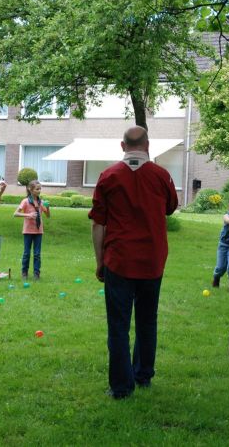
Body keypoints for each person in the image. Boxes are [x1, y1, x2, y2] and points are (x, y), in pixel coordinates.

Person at [90, 126, 178, 399]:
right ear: (148, 145)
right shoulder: (161, 175)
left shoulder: (108, 176)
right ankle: (143, 375)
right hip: (152, 261)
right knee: (147, 320)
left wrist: (100, 261)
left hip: (119, 260)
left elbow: (98, 223)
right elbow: (170, 208)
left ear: (122, 145)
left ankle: (121, 387)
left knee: (118, 325)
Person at [14, 180, 50, 280]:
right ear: (30, 189)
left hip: (39, 231)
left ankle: (36, 274)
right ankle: (24, 273)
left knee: (37, 254)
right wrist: (28, 215)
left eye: (40, 189)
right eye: (37, 189)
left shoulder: (41, 202)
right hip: (28, 231)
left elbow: (48, 215)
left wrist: (48, 207)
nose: (39, 191)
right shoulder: (25, 201)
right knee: (26, 253)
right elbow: (15, 214)